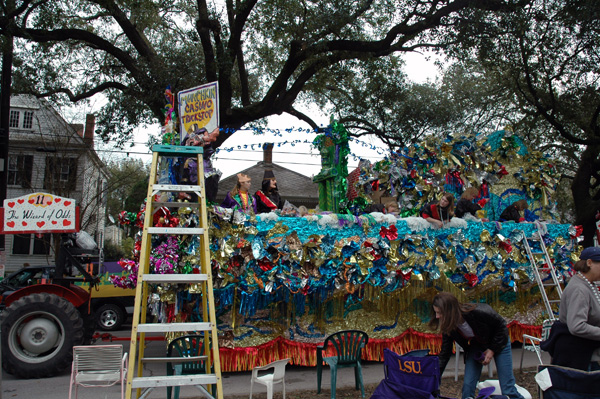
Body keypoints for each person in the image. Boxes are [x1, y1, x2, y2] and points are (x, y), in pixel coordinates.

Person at [429, 292, 524, 399]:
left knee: (507, 388)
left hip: (499, 341)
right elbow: (445, 353)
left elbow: (502, 328)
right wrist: (434, 379)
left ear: (450, 310)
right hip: (478, 345)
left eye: (440, 313)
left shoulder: (480, 311)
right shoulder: (448, 326)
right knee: (468, 387)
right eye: (436, 312)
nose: (437, 316)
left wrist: (492, 350)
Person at [541, 247, 600, 371]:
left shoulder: (589, 284)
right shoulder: (579, 289)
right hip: (579, 357)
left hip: (584, 353)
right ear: (589, 263)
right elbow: (577, 326)